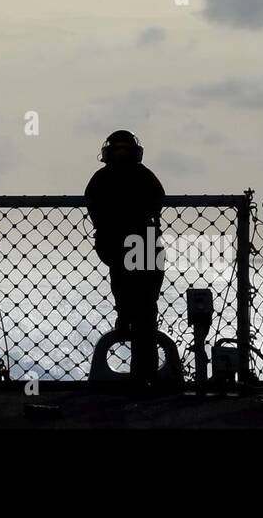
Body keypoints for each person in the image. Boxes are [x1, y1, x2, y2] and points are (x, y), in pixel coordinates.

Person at [85, 130, 165, 392]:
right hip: (140, 244)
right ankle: (144, 378)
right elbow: (157, 200)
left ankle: (141, 375)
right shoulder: (144, 177)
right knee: (145, 310)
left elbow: (94, 208)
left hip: (124, 245)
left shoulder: (101, 179)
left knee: (135, 307)